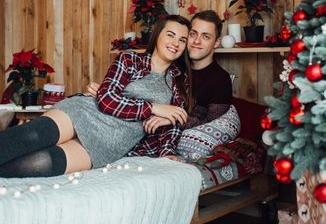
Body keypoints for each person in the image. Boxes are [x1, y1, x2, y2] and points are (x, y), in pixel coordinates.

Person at [0, 15, 192, 178]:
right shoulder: (130, 59)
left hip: (110, 143)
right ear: (158, 35)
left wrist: (167, 146)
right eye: (170, 35)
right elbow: (106, 98)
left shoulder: (178, 83)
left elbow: (176, 122)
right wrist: (153, 108)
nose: (175, 43)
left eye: (182, 40)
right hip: (84, 112)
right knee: (26, 138)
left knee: (36, 165)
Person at [86, 10, 234, 157]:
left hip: (145, 135)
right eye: (193, 34)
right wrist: (109, 92)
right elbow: (145, 93)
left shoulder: (221, 79)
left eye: (206, 37)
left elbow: (211, 121)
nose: (196, 41)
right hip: (118, 123)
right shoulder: (174, 67)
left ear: (216, 43)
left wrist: (171, 119)